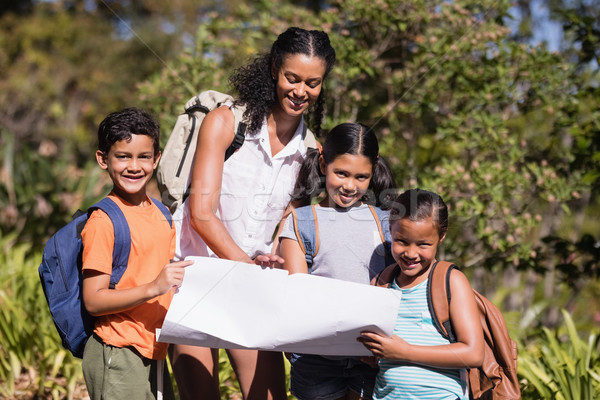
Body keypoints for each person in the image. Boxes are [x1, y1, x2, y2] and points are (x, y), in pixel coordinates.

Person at [170, 27, 337, 400]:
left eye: (313, 83)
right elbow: (201, 213)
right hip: (195, 277)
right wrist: (247, 266)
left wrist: (276, 255)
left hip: (253, 284)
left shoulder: (311, 150)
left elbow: (288, 223)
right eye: (292, 78)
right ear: (275, 69)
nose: (300, 91)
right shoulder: (226, 122)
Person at [80, 107, 193, 400]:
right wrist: (154, 287)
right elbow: (94, 300)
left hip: (153, 348)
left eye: (143, 156)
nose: (134, 166)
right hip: (117, 350)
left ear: (156, 159)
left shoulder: (162, 213)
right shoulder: (104, 221)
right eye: (122, 156)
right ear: (103, 160)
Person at [278, 122, 396, 400]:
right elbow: (298, 291)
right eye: (340, 173)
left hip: (370, 357)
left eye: (360, 177)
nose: (349, 186)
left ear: (374, 169)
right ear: (322, 164)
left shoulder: (386, 222)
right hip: (316, 358)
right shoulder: (302, 221)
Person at [358, 189, 484, 400]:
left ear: (441, 237)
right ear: (390, 230)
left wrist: (405, 352)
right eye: (402, 241)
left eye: (423, 244)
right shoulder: (381, 283)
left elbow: (473, 353)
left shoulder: (451, 281)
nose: (411, 253)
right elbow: (381, 352)